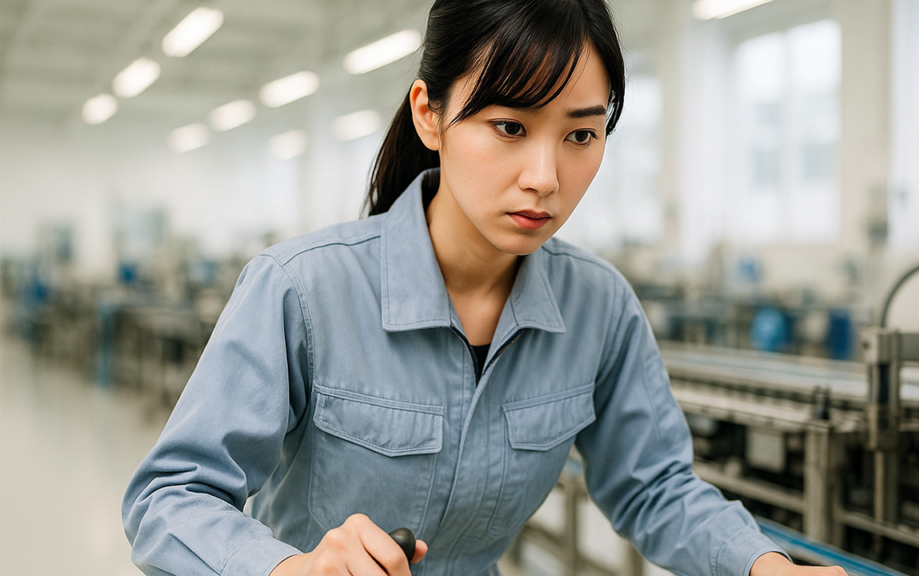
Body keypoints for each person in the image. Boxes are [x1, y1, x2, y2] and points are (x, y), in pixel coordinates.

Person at [122, 1, 849, 576]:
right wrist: (288, 567)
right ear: (429, 114)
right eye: (508, 126)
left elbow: (652, 485)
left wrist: (763, 566)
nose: (544, 177)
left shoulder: (599, 309)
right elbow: (168, 497)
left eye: (580, 136)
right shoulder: (303, 290)